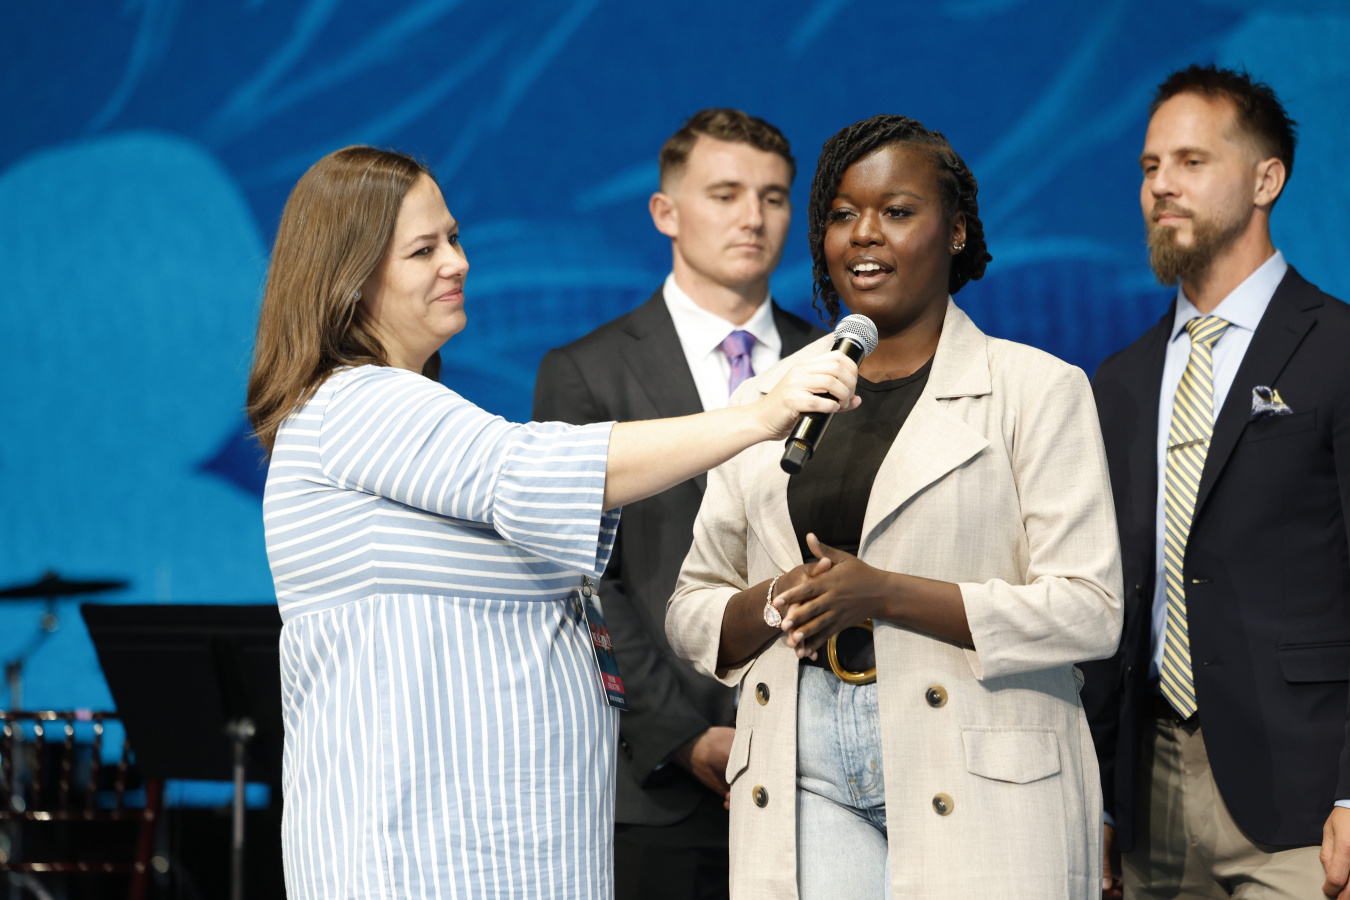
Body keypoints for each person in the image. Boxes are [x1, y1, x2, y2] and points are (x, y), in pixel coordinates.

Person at [245, 145, 859, 900]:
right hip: (422, 856)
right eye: (423, 250)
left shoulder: (392, 408)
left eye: (454, 238)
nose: (458, 262)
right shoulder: (356, 402)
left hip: (499, 851)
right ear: (351, 276)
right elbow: (535, 470)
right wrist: (757, 417)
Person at [665, 114, 1124, 900]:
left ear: (957, 231)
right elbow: (691, 606)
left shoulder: (1037, 389)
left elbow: (1090, 610)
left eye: (898, 211)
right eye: (843, 214)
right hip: (802, 761)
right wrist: (779, 598)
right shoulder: (769, 399)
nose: (865, 235)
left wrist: (882, 593)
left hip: (978, 764)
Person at [532, 108, 822, 900]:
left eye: (773, 197)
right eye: (725, 194)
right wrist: (686, 736)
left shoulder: (833, 362)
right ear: (665, 211)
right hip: (657, 784)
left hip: (819, 770)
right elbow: (581, 579)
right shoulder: (587, 371)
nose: (752, 217)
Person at [1080, 64, 1350, 899]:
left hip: (1305, 798)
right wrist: (1099, 793)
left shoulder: (1340, 349)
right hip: (1147, 801)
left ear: (1267, 180)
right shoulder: (1118, 381)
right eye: (1150, 166)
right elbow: (1112, 598)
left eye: (1191, 162)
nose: (1161, 185)